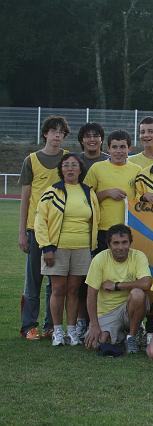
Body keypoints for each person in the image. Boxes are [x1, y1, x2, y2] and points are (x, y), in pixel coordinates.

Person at [34, 153, 99, 346]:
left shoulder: (89, 192)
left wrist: (92, 247)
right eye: (66, 165)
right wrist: (47, 247)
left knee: (74, 291)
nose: (70, 169)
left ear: (81, 169)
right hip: (57, 248)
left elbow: (96, 220)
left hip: (82, 249)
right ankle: (57, 331)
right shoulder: (52, 192)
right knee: (58, 289)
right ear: (61, 170)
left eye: (74, 165)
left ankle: (71, 331)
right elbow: (40, 222)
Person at [19, 115, 69, 340]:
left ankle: (51, 325)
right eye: (54, 131)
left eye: (61, 132)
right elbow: (25, 197)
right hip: (35, 228)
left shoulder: (69, 158)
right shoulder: (31, 160)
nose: (57, 135)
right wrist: (22, 232)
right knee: (33, 280)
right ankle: (29, 325)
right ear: (45, 133)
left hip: (60, 229)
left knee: (55, 281)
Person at [84, 224, 152, 354]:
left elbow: (147, 283)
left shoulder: (138, 256)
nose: (120, 247)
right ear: (109, 245)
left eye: (124, 242)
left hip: (129, 306)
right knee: (96, 343)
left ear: (130, 243)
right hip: (107, 312)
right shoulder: (99, 259)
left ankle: (132, 337)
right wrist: (94, 325)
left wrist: (117, 285)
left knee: (138, 294)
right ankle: (125, 334)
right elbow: (91, 295)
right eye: (116, 243)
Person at [84, 130, 141, 253]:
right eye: (114, 147)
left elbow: (141, 199)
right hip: (103, 229)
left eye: (122, 147)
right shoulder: (97, 168)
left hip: (128, 228)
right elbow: (85, 198)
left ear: (129, 149)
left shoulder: (137, 170)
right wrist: (107, 193)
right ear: (108, 149)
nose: (119, 151)